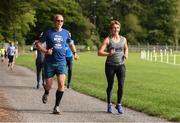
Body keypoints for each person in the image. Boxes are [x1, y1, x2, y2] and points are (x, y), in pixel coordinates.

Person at [37, 14, 78, 114]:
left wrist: (75, 53)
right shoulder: (48, 32)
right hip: (49, 63)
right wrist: (45, 50)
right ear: (54, 21)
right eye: (58, 21)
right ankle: (46, 93)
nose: (59, 22)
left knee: (61, 84)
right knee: (49, 85)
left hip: (61, 62)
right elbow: (38, 44)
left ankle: (56, 106)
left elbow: (70, 43)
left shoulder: (66, 33)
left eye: (61, 21)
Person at [98, 20, 128, 114]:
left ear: (119, 29)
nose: (116, 29)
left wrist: (126, 54)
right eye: (114, 28)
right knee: (110, 85)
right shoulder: (108, 39)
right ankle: (109, 104)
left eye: (117, 28)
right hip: (110, 66)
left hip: (121, 65)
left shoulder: (123, 39)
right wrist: (108, 53)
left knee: (121, 86)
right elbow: (99, 52)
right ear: (111, 29)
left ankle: (119, 104)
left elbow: (126, 48)